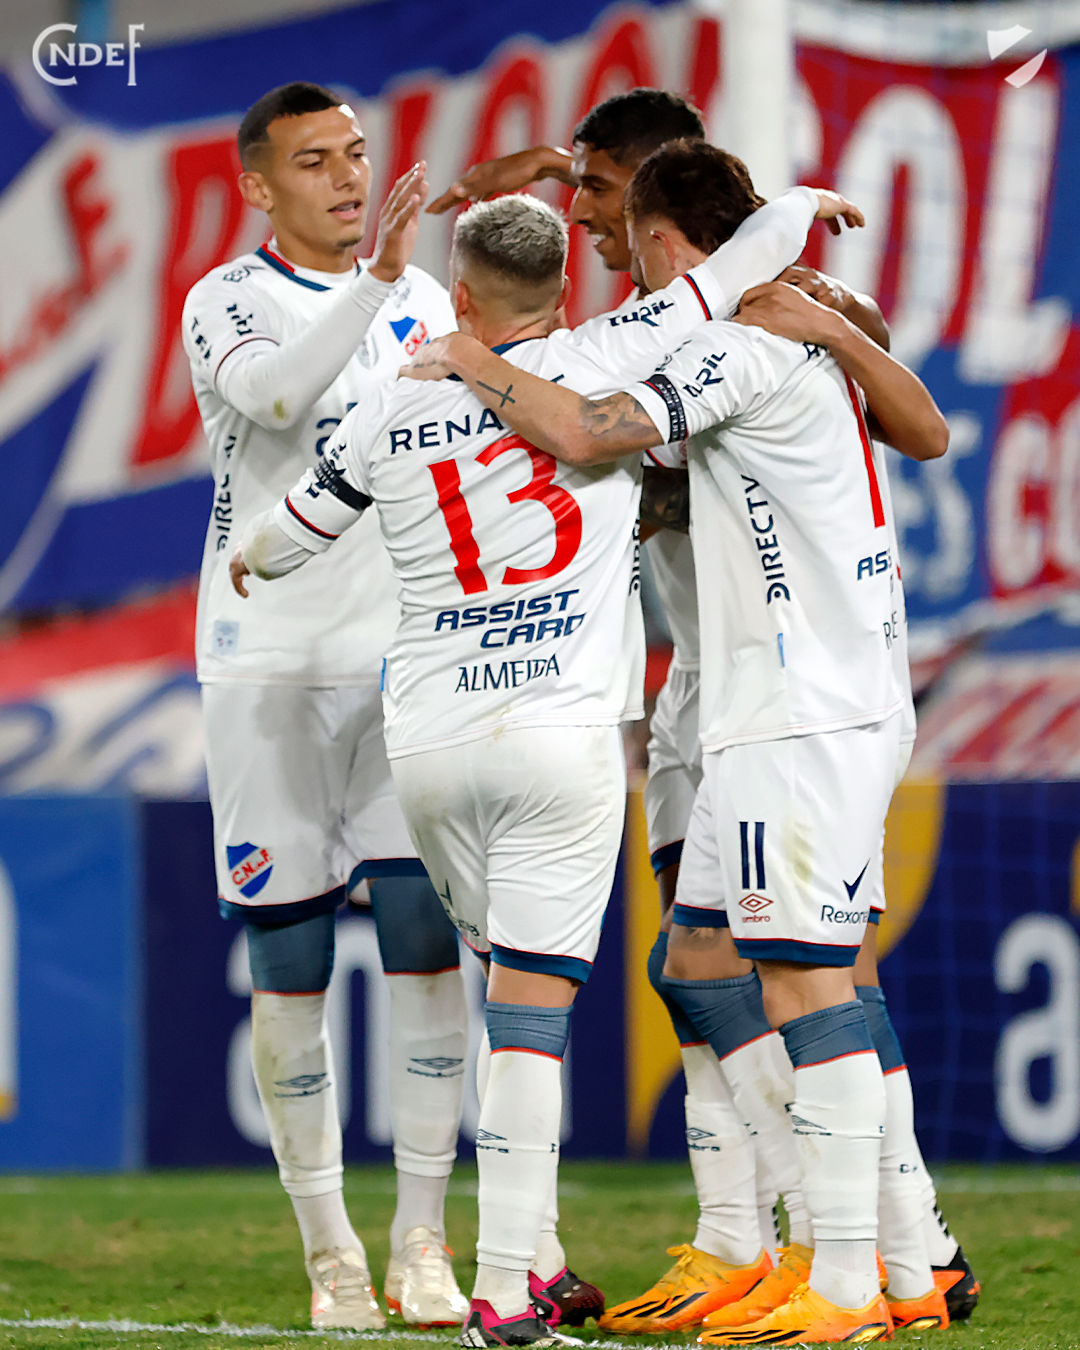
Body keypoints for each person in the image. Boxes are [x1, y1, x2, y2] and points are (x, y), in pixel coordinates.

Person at [229, 184, 852, 1347]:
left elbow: (287, 538)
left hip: (429, 749)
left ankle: (542, 1264)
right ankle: (506, 1287)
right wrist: (803, 203)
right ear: (563, 287)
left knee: (499, 982)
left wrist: (249, 562)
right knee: (530, 1014)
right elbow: (730, 272)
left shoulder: (388, 398)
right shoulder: (601, 355)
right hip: (560, 742)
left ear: (459, 297)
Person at [433, 89, 979, 1332]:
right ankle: (803, 1248)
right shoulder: (751, 326)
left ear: (660, 225)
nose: (590, 226)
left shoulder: (736, 340)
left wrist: (468, 361)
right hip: (747, 689)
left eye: (600, 197)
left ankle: (867, 1264)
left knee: (809, 971)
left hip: (796, 695)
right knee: (711, 961)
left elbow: (591, 433)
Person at [182, 80, 472, 1330]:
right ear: (258, 185)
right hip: (267, 667)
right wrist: (377, 284)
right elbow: (275, 400)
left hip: (405, 663)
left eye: (356, 153)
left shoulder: (427, 300)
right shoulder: (226, 299)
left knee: (422, 937)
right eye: (316, 161)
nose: (350, 177)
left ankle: (421, 1239)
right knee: (291, 959)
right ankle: (330, 1252)